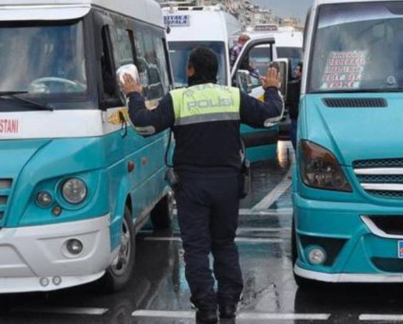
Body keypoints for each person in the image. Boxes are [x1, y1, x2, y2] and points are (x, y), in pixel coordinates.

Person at [121, 47, 283, 323]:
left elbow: (145, 125)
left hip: (192, 185)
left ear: (190, 70)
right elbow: (270, 116)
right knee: (224, 243)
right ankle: (229, 304)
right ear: (216, 71)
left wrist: (134, 95)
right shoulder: (232, 96)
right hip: (227, 185)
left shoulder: (178, 99)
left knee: (196, 247)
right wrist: (271, 89)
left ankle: (206, 307)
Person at [286, 62, 303, 150]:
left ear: (302, 72)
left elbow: (290, 99)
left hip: (295, 117)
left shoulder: (296, 85)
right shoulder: (301, 84)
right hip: (296, 117)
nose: (295, 72)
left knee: (295, 139)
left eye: (297, 70)